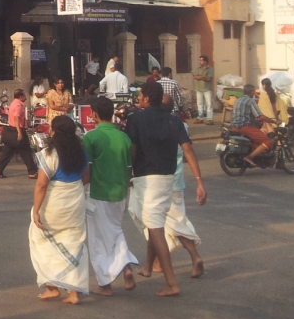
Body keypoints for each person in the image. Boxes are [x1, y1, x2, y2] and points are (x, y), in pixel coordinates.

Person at [125, 82, 206, 297]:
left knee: (154, 225)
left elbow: (132, 150)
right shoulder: (174, 121)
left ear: (146, 99)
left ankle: (171, 282)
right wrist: (199, 180)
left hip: (146, 179)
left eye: (140, 95)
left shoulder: (135, 119)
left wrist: (127, 175)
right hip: (168, 178)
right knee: (155, 222)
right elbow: (187, 149)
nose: (139, 98)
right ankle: (149, 267)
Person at [29, 114, 90, 305]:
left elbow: (41, 185)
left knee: (40, 241)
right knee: (74, 244)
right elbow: (86, 178)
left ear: (52, 131)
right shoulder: (81, 152)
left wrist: (36, 211)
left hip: (54, 204)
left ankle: (52, 288)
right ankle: (74, 293)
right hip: (75, 201)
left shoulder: (49, 154)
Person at [143, 97, 204, 280]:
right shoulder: (180, 125)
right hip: (177, 182)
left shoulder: (153, 124)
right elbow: (189, 152)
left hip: (157, 181)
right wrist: (199, 181)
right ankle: (157, 263)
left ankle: (194, 255)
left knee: (162, 223)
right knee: (167, 223)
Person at [83, 96, 137, 296]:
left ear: (94, 114)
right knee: (114, 230)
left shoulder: (91, 137)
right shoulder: (124, 137)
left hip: (98, 192)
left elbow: (86, 171)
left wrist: (80, 189)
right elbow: (129, 168)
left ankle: (105, 283)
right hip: (120, 192)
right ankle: (125, 267)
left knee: (98, 239)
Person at [0, 88, 38, 179]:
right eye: (24, 95)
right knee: (26, 152)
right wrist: (19, 132)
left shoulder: (13, 103)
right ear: (20, 96)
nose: (26, 97)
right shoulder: (18, 106)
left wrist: (27, 128)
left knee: (8, 152)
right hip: (16, 131)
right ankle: (32, 172)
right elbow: (17, 118)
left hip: (10, 131)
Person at [230, 84, 273, 167]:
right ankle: (249, 157)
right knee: (267, 141)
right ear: (251, 92)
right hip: (245, 127)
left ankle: (255, 156)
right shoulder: (250, 101)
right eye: (253, 92)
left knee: (255, 140)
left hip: (235, 126)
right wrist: (274, 121)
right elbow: (260, 116)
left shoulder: (238, 100)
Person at [192, 55, 215, 124]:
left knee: (209, 104)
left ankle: (210, 119)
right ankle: (200, 118)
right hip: (199, 88)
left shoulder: (210, 69)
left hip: (207, 89)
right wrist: (203, 76)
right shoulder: (198, 68)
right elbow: (195, 77)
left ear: (205, 62)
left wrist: (200, 77)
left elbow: (208, 78)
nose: (200, 62)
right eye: (199, 60)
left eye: (201, 60)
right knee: (199, 104)